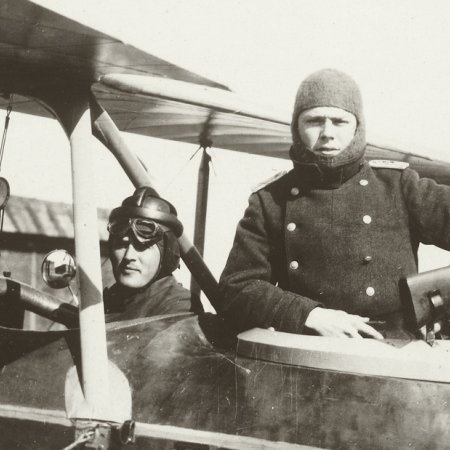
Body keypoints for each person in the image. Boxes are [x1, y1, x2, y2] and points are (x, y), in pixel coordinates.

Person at [218, 68, 450, 339]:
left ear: (357, 127)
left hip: (395, 355)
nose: (327, 133)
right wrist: (309, 314)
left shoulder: (398, 186)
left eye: (339, 121)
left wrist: (439, 303)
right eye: (314, 121)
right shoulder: (271, 200)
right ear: (297, 127)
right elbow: (237, 289)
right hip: (311, 356)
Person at [104, 186, 201, 321]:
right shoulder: (109, 299)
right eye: (122, 244)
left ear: (166, 255)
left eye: (142, 246)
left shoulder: (179, 306)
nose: (128, 256)